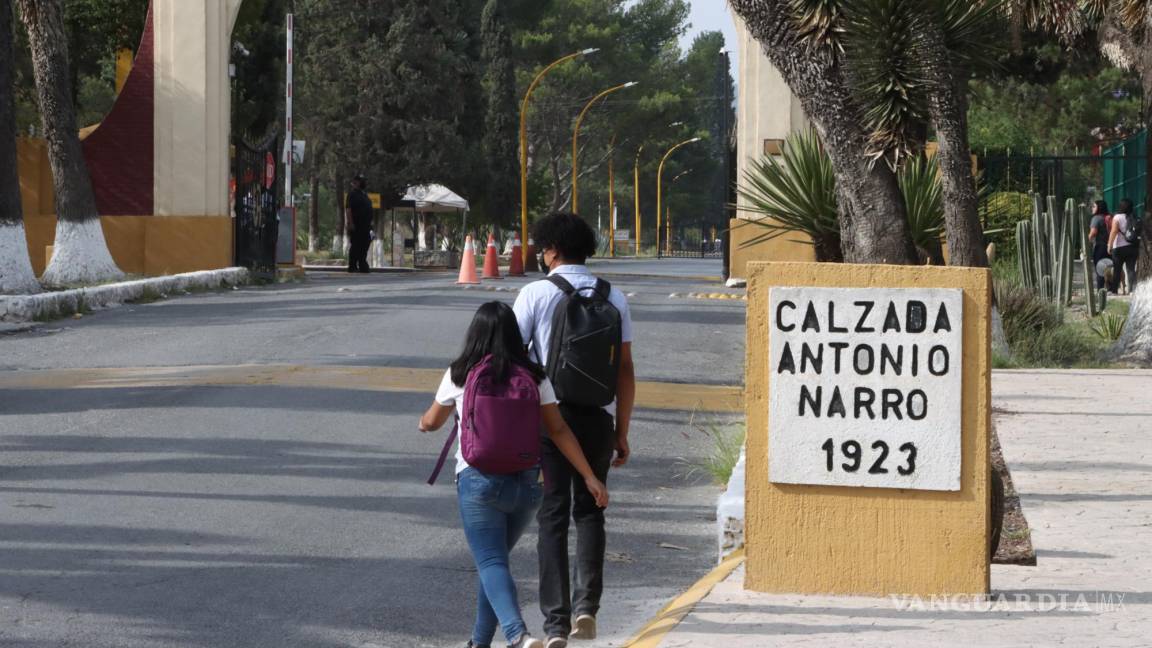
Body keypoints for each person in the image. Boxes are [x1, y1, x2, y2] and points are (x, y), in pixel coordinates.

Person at [419, 301, 609, 648]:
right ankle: (479, 643)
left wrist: (424, 424)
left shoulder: (461, 372)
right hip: (526, 485)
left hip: (478, 482)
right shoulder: (535, 376)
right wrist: (589, 476)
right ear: (514, 334)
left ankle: (517, 635)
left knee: (491, 562)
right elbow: (559, 430)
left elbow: (431, 422)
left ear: (474, 334)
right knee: (494, 563)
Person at [512, 213, 636, 648]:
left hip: (549, 418)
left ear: (551, 250)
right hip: (597, 419)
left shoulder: (534, 293)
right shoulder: (613, 296)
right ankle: (587, 608)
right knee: (590, 511)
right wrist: (621, 431)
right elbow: (624, 370)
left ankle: (556, 624)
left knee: (552, 516)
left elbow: (512, 361)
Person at [1108, 198, 1140, 294]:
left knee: (1117, 270)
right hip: (1133, 247)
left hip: (1119, 248)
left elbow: (1114, 232)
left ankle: (1114, 291)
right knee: (1131, 269)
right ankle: (1132, 291)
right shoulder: (1134, 217)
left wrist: (1109, 245)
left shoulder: (1117, 217)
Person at [345, 176, 373, 273]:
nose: (363, 183)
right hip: (357, 225)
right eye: (361, 181)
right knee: (356, 245)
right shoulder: (352, 194)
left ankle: (362, 264)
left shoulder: (364, 195)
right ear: (356, 183)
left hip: (366, 226)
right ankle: (352, 266)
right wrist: (350, 223)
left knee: (365, 244)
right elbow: (348, 210)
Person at [1088, 200, 1112, 290]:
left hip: (1100, 247)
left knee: (1100, 269)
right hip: (1110, 246)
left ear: (1099, 208)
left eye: (1094, 206)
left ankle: (1100, 289)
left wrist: (1086, 241)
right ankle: (1110, 289)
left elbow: (1093, 232)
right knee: (1109, 268)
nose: (1092, 208)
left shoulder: (1096, 218)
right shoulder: (1109, 217)